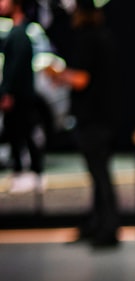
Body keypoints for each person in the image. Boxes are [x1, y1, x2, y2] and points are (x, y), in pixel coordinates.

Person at [44, 0, 120, 248]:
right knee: (98, 174)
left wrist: (58, 75)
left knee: (99, 174)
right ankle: (99, 224)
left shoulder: (90, 40)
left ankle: (107, 228)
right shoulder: (102, 37)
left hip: (93, 117)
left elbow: (82, 79)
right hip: (101, 115)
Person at [0, 0, 45, 194]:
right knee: (19, 133)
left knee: (22, 132)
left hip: (20, 95)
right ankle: (28, 172)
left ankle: (32, 173)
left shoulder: (21, 33)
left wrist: (7, 92)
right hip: (21, 93)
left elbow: (14, 68)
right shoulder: (17, 30)